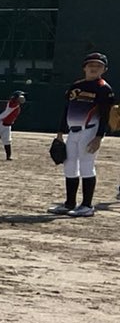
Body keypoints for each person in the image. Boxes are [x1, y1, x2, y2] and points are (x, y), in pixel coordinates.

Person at [51, 50, 114, 217]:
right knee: (69, 166)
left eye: (98, 66)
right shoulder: (76, 86)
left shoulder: (103, 89)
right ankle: (69, 203)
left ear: (104, 70)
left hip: (90, 130)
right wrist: (60, 132)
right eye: (91, 65)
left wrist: (99, 137)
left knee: (87, 166)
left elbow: (106, 115)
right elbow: (66, 109)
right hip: (73, 132)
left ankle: (86, 206)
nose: (94, 68)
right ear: (84, 68)